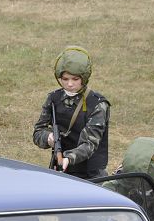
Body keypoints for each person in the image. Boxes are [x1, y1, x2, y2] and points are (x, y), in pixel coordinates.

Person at [32, 46, 110, 179]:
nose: (69, 84)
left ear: (84, 78)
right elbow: (38, 132)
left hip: (91, 174)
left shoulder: (97, 104)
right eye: (65, 79)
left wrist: (68, 158)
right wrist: (48, 138)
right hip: (60, 169)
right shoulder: (53, 98)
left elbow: (90, 144)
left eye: (75, 79)